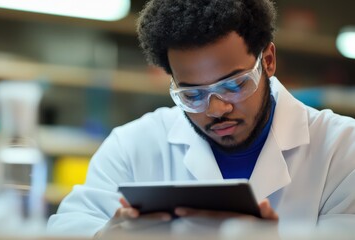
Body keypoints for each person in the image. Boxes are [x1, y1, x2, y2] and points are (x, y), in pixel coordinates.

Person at [47, 0, 355, 237]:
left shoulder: (343, 149)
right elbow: (67, 227)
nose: (216, 109)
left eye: (234, 85)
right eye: (192, 95)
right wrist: (105, 237)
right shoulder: (131, 146)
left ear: (268, 61)